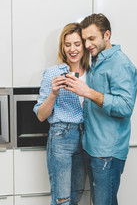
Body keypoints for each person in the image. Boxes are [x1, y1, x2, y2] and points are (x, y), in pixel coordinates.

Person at [65, 13, 137, 205]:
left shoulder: (120, 63)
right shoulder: (97, 61)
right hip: (92, 148)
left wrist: (88, 92)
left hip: (107, 153)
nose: (87, 44)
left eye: (92, 38)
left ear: (107, 35)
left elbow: (125, 106)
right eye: (85, 39)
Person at [33, 23, 90, 205]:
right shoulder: (53, 73)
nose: (72, 49)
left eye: (77, 44)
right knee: (62, 199)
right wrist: (53, 93)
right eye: (67, 45)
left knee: (78, 193)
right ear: (62, 47)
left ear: (84, 45)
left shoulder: (93, 73)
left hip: (87, 138)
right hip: (61, 138)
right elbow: (41, 115)